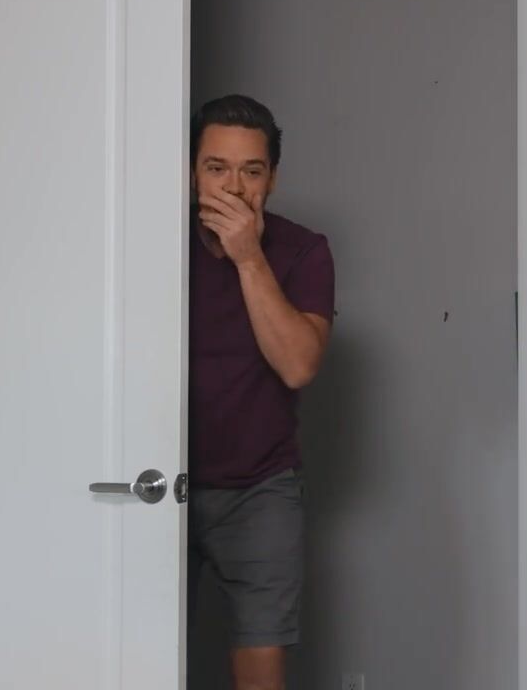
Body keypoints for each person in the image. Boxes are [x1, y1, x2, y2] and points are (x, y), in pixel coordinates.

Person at [187, 94, 334, 690]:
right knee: (133, 650)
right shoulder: (144, 246)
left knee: (261, 667)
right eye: (215, 168)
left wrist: (248, 258)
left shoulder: (304, 251)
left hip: (259, 489)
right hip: (158, 483)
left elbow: (298, 366)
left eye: (251, 171)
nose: (233, 187)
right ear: (191, 173)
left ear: (272, 178)